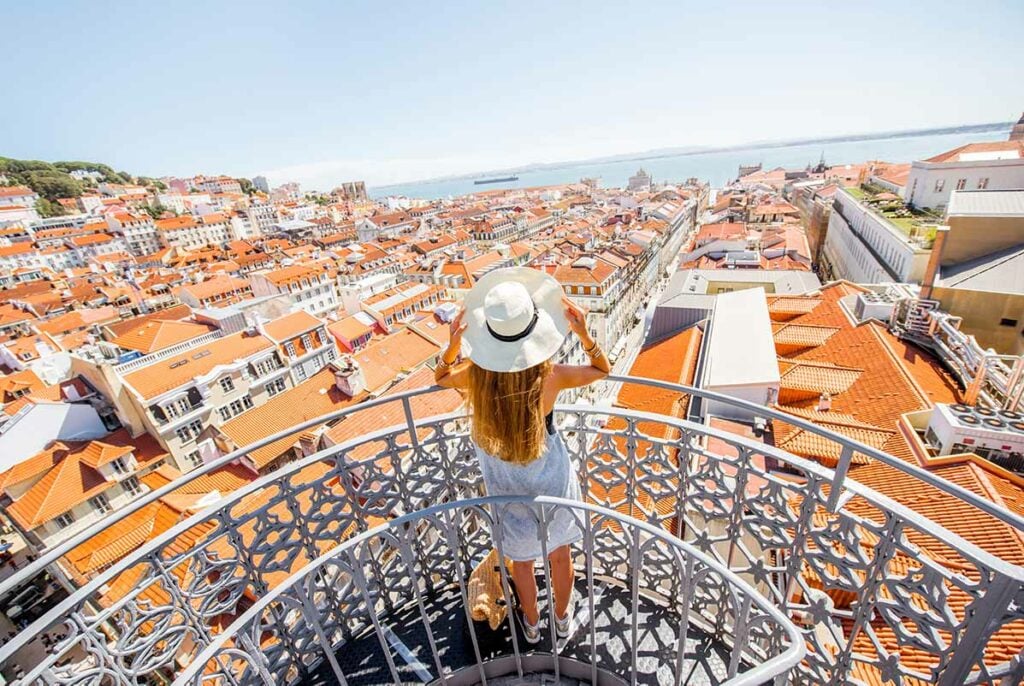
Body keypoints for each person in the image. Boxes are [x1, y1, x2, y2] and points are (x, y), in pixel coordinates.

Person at [435, 266, 610, 643]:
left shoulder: (476, 379)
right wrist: (582, 332)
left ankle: (531, 625)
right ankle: (561, 621)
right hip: (552, 483)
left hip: (506, 488)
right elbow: (601, 369)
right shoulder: (552, 376)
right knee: (561, 558)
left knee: (522, 565)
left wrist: (452, 345)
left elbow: (441, 376)